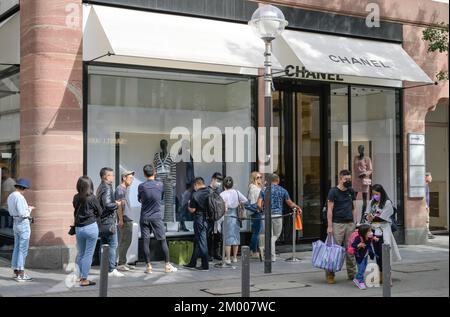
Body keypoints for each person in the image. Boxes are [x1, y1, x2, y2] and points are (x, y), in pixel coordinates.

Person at [138, 164, 178, 274]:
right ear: (154, 172)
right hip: (156, 217)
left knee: (145, 241)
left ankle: (148, 266)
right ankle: (167, 265)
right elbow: (160, 197)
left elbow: (140, 199)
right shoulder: (160, 185)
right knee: (162, 241)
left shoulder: (141, 186)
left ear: (144, 174)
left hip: (145, 217)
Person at [257, 174, 301, 262]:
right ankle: (272, 256)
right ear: (278, 180)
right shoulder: (282, 190)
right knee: (275, 236)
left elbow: (258, 204)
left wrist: (261, 210)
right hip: (277, 215)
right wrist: (297, 207)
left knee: (269, 236)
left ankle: (269, 255)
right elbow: (290, 203)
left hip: (265, 216)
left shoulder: (264, 190)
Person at [364, 184, 401, 285]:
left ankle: (388, 277)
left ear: (381, 193)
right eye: (373, 194)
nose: (375, 196)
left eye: (376, 194)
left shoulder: (387, 203)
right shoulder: (372, 202)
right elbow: (366, 213)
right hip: (374, 232)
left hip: (383, 231)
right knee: (378, 254)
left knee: (385, 254)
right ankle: (380, 275)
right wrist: (368, 217)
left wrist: (373, 218)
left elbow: (384, 217)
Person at [326, 169, 357, 284]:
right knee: (335, 250)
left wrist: (355, 223)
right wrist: (329, 226)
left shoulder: (351, 191)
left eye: (349, 179)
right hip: (337, 224)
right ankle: (330, 274)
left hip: (350, 224)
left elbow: (354, 208)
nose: (348, 181)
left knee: (351, 250)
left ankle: (352, 274)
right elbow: (330, 209)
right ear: (340, 179)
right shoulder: (333, 191)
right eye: (346, 179)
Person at [73, 176, 102, 287]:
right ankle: (84, 279)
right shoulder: (92, 198)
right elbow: (100, 211)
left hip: (79, 228)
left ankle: (79, 276)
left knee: (81, 253)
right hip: (90, 227)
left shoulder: (76, 197)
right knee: (88, 254)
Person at [96, 167, 124, 277]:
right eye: (111, 175)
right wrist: (117, 204)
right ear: (105, 176)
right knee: (112, 245)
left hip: (102, 222)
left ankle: (104, 268)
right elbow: (107, 204)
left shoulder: (100, 187)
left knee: (104, 245)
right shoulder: (107, 188)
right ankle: (112, 269)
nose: (113, 177)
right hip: (108, 222)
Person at [7, 178, 34, 282]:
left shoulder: (11, 196)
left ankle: (15, 271)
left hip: (15, 222)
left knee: (17, 247)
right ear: (23, 188)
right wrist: (30, 209)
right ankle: (21, 274)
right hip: (23, 223)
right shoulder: (20, 197)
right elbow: (23, 213)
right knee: (23, 249)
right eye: (25, 189)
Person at [220, 176, 248, 264]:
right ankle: (235, 257)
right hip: (236, 216)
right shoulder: (237, 192)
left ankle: (228, 258)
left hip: (227, 216)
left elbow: (221, 206)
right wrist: (239, 203)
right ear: (232, 184)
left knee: (227, 237)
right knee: (236, 236)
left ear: (224, 185)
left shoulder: (222, 194)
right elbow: (245, 200)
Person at [185, 177, 211, 271]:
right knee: (198, 241)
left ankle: (205, 265)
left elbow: (192, 210)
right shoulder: (210, 191)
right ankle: (192, 263)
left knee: (202, 242)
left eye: (194, 186)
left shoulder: (196, 194)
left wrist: (188, 204)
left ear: (196, 184)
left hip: (200, 219)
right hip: (209, 220)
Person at [115, 170, 135, 271]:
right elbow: (118, 206)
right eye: (130, 178)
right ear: (124, 178)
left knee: (127, 241)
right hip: (125, 219)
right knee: (124, 241)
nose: (132, 180)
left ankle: (123, 262)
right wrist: (121, 220)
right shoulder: (120, 189)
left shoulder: (125, 189)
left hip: (127, 218)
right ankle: (121, 263)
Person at [350, 224, 377, 290]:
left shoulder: (368, 237)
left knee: (364, 267)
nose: (371, 232)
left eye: (371, 230)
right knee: (361, 269)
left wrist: (374, 238)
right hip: (359, 256)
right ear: (364, 232)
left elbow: (372, 237)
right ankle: (360, 281)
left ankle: (357, 278)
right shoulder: (359, 238)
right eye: (369, 231)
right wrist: (359, 245)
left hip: (365, 255)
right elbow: (353, 245)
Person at [352, 145, 373, 217]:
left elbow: (370, 170)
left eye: (361, 149)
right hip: (356, 180)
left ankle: (363, 216)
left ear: (363, 149)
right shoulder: (355, 158)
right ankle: (353, 215)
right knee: (353, 198)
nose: (359, 150)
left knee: (364, 199)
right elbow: (354, 169)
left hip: (364, 179)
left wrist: (364, 174)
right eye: (358, 149)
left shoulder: (367, 159)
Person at [207, 172, 224, 261]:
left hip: (218, 217)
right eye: (218, 181)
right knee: (209, 236)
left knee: (218, 236)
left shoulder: (219, 191)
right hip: (210, 217)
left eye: (220, 181)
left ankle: (217, 253)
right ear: (213, 179)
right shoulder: (207, 190)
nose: (219, 183)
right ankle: (209, 254)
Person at [247, 171, 263, 258]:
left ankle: (252, 250)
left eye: (261, 177)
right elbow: (258, 202)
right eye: (258, 177)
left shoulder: (252, 187)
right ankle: (254, 251)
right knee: (256, 233)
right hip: (256, 212)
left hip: (253, 212)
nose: (260, 179)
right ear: (254, 179)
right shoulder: (255, 189)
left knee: (255, 232)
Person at [425, 172, 435, 239]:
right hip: (425, 206)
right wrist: (425, 205)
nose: (431, 178)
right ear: (426, 177)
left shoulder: (426, 185)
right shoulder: (424, 185)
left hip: (427, 206)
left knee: (427, 219)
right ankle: (427, 233)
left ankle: (428, 232)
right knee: (426, 219)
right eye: (430, 176)